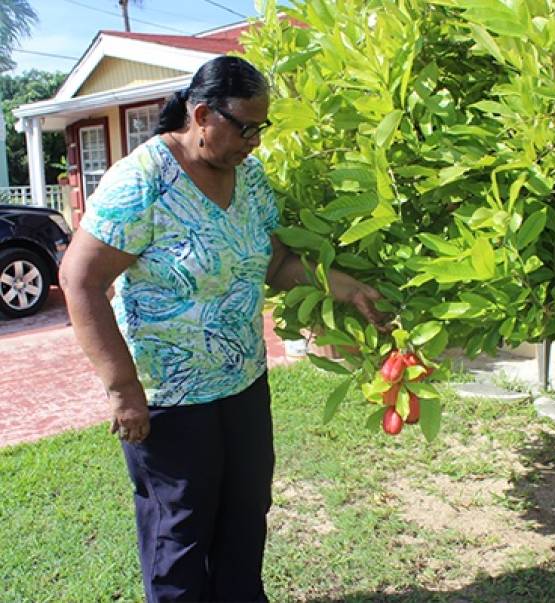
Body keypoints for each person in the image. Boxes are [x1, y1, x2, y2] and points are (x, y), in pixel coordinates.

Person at [59, 56, 388, 602]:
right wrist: (123, 390)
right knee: (180, 532)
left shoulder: (250, 179)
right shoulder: (142, 180)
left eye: (263, 127)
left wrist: (345, 287)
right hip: (168, 398)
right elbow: (79, 281)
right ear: (204, 114)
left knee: (244, 513)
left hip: (242, 383)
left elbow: (276, 263)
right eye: (247, 126)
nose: (255, 141)